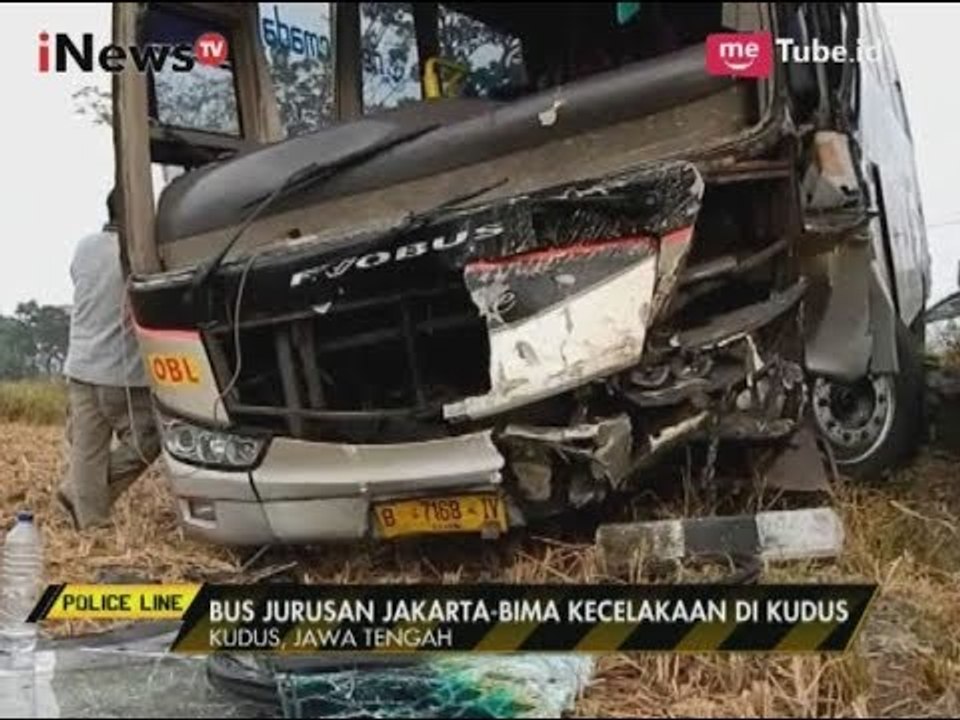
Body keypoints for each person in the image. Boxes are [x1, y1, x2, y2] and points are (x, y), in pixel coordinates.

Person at [58, 189, 161, 530]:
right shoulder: (141, 255)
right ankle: (81, 493)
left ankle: (92, 527)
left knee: (87, 452)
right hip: (122, 374)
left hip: (80, 366)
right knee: (149, 441)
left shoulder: (84, 247)